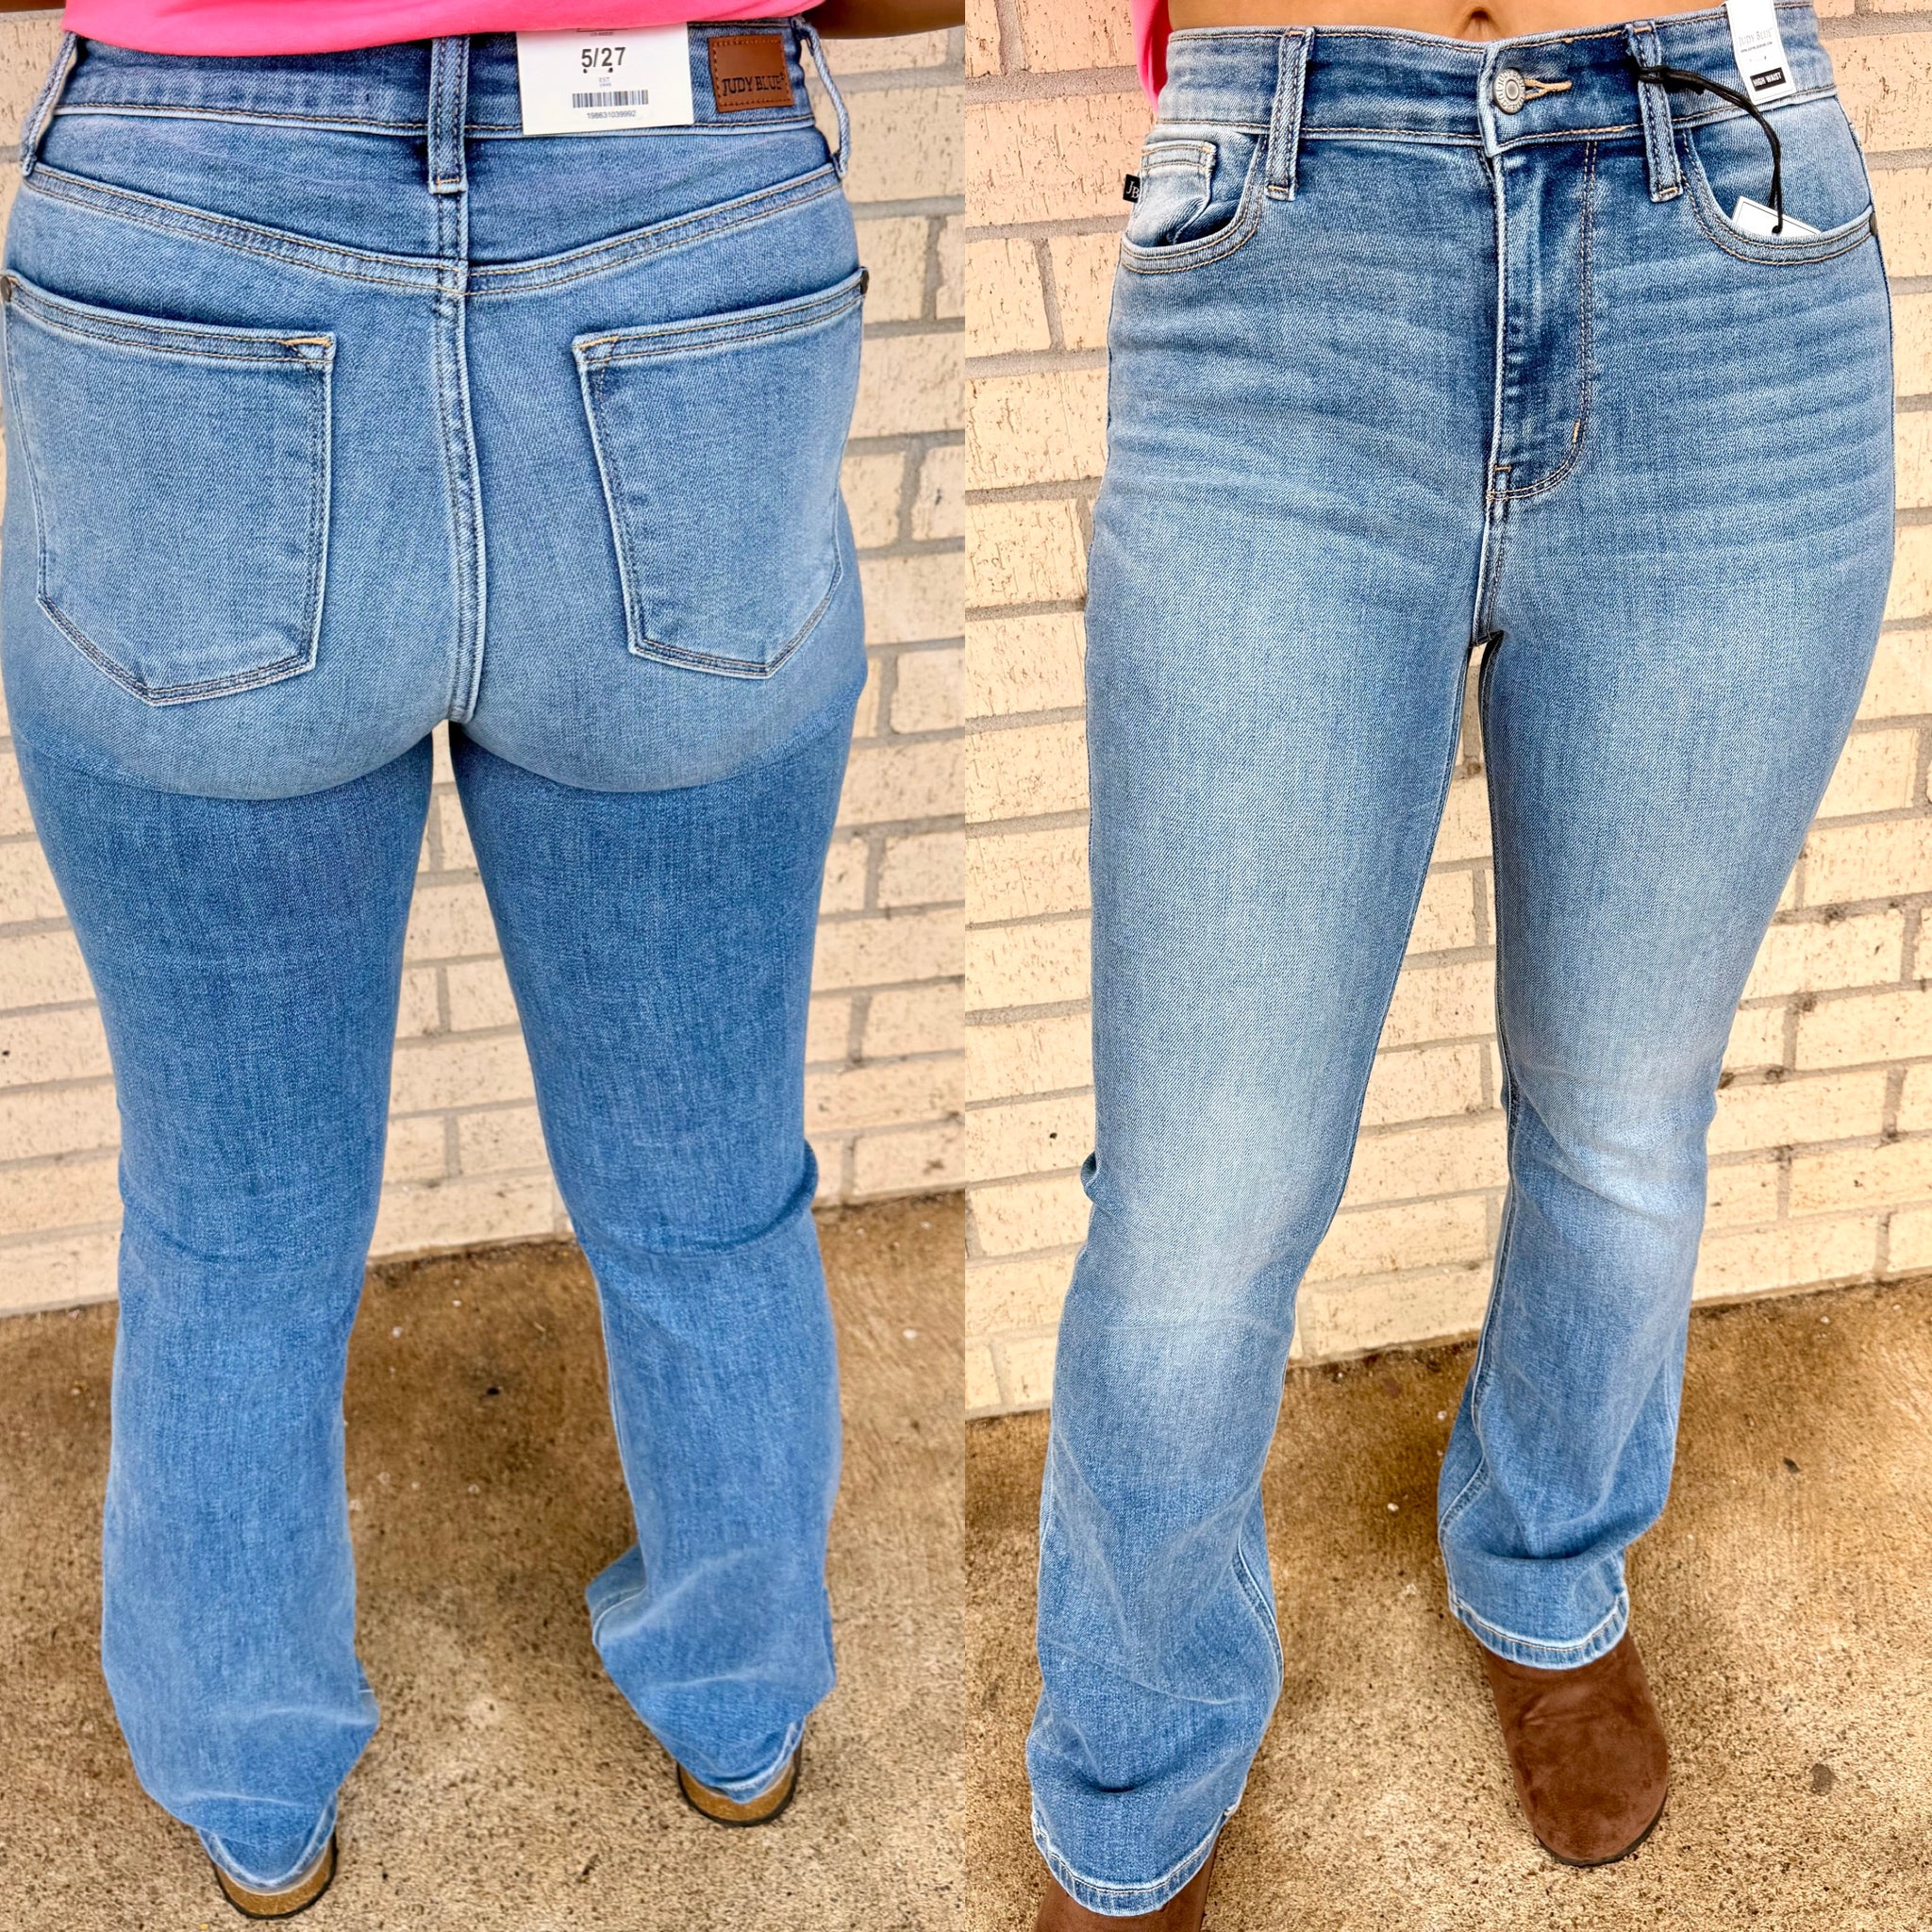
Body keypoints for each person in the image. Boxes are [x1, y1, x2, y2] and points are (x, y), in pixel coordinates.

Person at [1, 0, 956, 1915]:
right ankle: (736, 1709)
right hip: (683, 203)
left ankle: (254, 1788)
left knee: (233, 1219)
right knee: (704, 1190)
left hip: (191, 216)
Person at [1025, 0, 1892, 1924]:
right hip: (1287, 235)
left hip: (1725, 229)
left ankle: (1546, 1567)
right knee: (1199, 1203)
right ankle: (1134, 1746)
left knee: (1621, 1114)